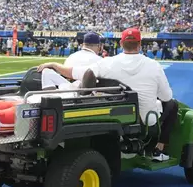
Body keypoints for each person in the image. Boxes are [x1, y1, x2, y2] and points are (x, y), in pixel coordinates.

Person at [38, 27, 176, 162]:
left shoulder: (107, 63)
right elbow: (166, 97)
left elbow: (75, 73)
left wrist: (54, 65)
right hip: (144, 123)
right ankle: (157, 149)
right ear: (139, 45)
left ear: (121, 44)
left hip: (117, 116)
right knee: (172, 105)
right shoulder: (154, 66)